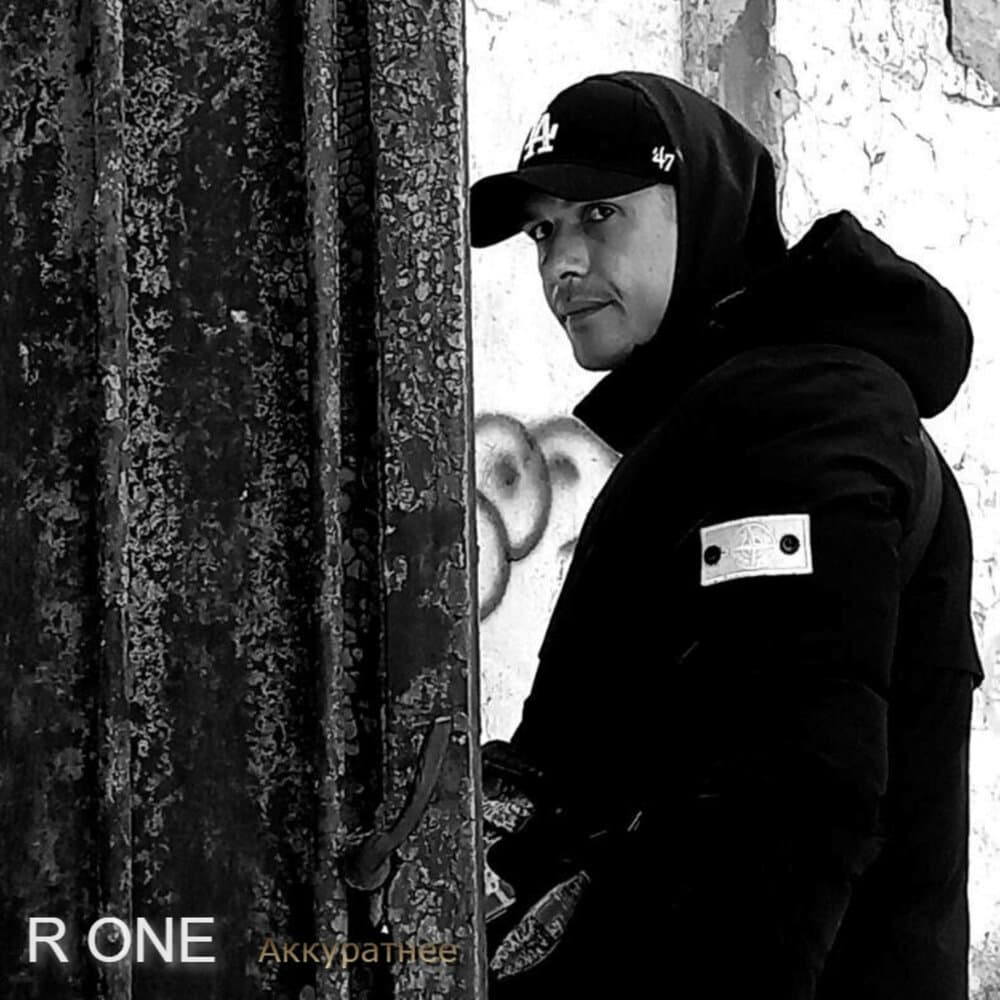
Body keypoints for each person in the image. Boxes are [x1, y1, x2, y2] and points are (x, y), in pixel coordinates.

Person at [470, 73, 983, 999]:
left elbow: (790, 806)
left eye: (600, 214)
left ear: (703, 205)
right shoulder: (726, 417)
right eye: (543, 231)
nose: (561, 265)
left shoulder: (804, 414)